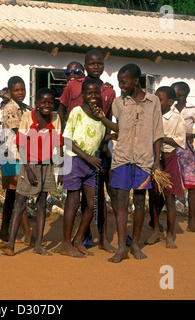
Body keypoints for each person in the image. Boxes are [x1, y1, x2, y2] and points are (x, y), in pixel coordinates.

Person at [94, 63, 164, 263]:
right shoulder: (118, 103)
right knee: (122, 202)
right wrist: (103, 120)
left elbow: (158, 133)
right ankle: (122, 247)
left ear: (136, 81)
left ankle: (135, 244)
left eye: (123, 82)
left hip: (143, 160)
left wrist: (157, 162)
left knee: (140, 202)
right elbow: (120, 127)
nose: (121, 86)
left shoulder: (154, 102)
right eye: (119, 83)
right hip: (122, 158)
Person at [58, 49, 117, 253]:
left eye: (99, 64)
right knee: (74, 200)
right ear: (85, 65)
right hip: (74, 152)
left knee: (97, 200)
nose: (96, 67)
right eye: (92, 64)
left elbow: (109, 122)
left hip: (97, 154)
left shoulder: (109, 91)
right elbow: (62, 111)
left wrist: (105, 145)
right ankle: (74, 241)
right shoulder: (73, 86)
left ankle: (100, 238)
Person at [0, 88, 63, 256]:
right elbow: (21, 144)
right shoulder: (28, 117)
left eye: (50, 103)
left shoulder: (55, 118)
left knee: (41, 204)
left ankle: (38, 244)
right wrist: (28, 169)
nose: (46, 105)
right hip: (29, 165)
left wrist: (60, 169)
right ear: (37, 104)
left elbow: (59, 144)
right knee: (20, 203)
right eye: (43, 102)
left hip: (46, 165)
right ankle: (11, 243)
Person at [59, 78, 107, 258]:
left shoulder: (101, 116)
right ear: (83, 95)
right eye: (89, 93)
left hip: (91, 165)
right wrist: (86, 156)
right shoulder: (76, 112)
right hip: (74, 160)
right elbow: (67, 139)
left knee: (91, 203)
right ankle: (65, 244)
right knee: (72, 201)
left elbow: (100, 139)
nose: (93, 96)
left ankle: (78, 239)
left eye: (96, 93)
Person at [147, 86, 186, 249]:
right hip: (153, 159)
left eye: (160, 99)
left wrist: (161, 138)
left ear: (170, 102)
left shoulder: (177, 119)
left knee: (170, 199)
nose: (156, 101)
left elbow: (180, 141)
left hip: (169, 160)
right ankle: (156, 230)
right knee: (154, 197)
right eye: (155, 98)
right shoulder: (152, 116)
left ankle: (170, 234)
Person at [0, 76, 33, 246]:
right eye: (17, 90)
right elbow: (20, 132)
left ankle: (4, 232)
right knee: (19, 195)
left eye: (23, 89)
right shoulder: (11, 108)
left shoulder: (19, 107)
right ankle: (27, 234)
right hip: (13, 155)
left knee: (12, 195)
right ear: (10, 92)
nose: (21, 92)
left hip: (13, 155)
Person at [171, 81, 195, 234]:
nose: (172, 93)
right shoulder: (168, 108)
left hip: (186, 149)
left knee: (192, 186)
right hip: (169, 148)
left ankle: (192, 223)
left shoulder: (193, 110)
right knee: (167, 185)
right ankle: (156, 221)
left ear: (182, 92)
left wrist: (190, 135)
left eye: (174, 91)